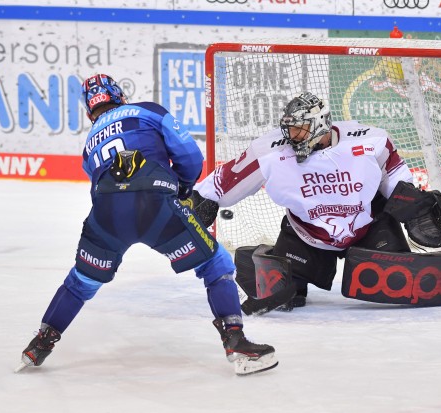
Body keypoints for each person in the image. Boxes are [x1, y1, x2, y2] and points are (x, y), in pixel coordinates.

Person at [16, 74, 277, 376]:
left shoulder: (89, 145)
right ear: (120, 95)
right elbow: (191, 157)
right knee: (215, 264)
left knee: (81, 282)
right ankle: (235, 341)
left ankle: (39, 344)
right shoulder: (147, 111)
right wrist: (181, 191)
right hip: (156, 206)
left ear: (90, 110)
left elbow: (98, 194)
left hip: (106, 215)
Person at [195, 92, 441, 310]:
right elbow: (227, 178)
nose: (293, 135)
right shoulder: (270, 151)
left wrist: (415, 205)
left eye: (300, 128)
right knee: (286, 295)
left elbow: (396, 179)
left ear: (320, 124)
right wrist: (202, 199)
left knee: (398, 283)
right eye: (290, 129)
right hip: (307, 235)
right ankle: (260, 258)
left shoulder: (370, 140)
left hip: (369, 227)